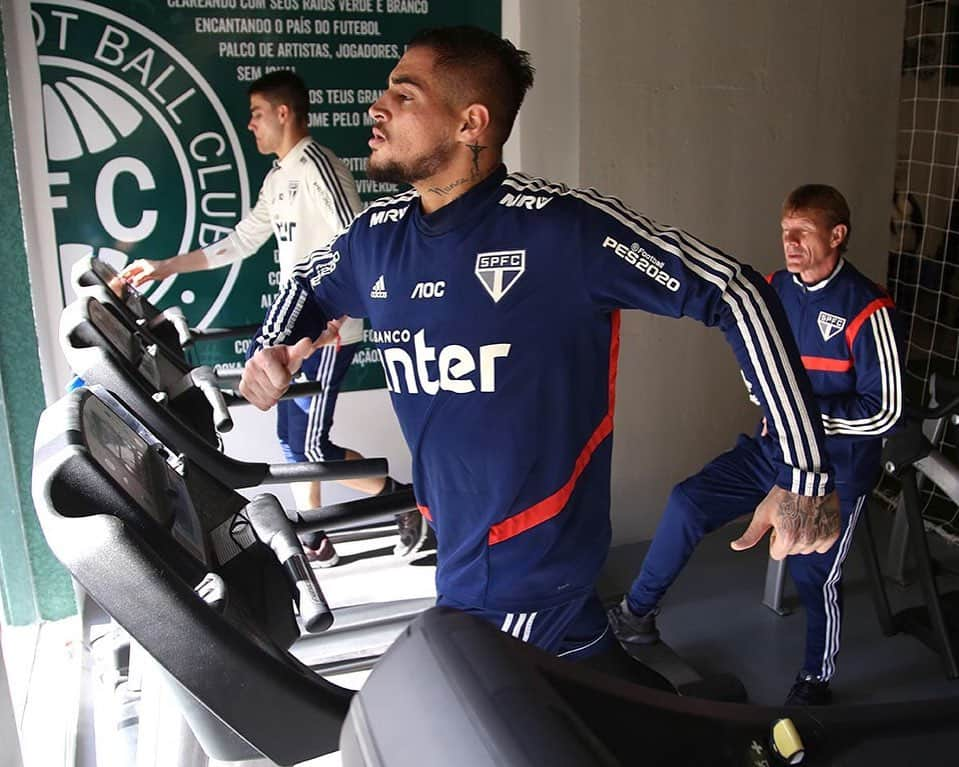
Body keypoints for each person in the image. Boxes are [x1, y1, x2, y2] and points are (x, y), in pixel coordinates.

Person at [239, 27, 841, 666]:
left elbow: (735, 290)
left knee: (456, 704)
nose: (376, 108)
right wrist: (273, 344)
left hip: (525, 564)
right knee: (596, 684)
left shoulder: (559, 230)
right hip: (463, 543)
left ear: (472, 124)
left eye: (404, 96)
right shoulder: (376, 239)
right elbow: (310, 280)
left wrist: (802, 472)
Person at [610, 184, 902, 704]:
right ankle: (636, 614)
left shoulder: (868, 306)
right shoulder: (773, 290)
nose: (789, 242)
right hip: (774, 449)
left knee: (815, 577)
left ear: (837, 235)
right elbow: (756, 377)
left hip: (837, 469)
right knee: (687, 502)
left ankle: (815, 681)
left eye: (802, 232)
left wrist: (806, 418)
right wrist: (786, 416)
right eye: (784, 231)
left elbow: (885, 410)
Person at [121, 71, 426, 566]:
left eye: (257, 115)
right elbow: (240, 242)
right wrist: (165, 267)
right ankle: (316, 540)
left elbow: (359, 246)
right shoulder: (278, 176)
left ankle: (405, 499)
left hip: (329, 333)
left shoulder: (317, 167)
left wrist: (336, 317)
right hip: (296, 334)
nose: (251, 125)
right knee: (294, 441)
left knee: (308, 445)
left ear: (284, 114)